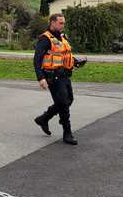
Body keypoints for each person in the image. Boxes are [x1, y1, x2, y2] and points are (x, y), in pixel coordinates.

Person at [33, 13, 85, 145]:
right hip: (53, 76)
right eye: (60, 23)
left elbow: (65, 55)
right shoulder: (46, 39)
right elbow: (37, 59)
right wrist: (41, 78)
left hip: (65, 74)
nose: (63, 25)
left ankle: (44, 118)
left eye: (63, 23)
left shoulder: (62, 37)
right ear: (53, 23)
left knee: (68, 100)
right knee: (63, 103)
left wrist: (75, 62)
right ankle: (67, 133)